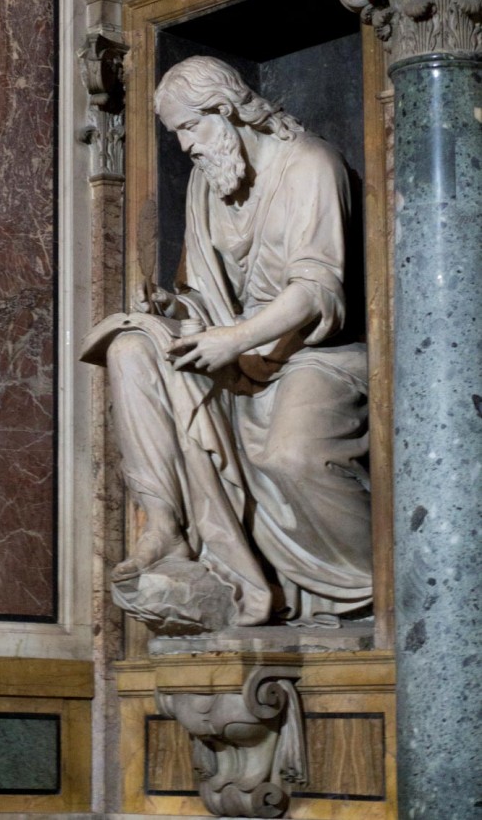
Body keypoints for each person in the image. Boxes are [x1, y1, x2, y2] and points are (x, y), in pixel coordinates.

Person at [84, 55, 372, 630]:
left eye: (190, 127)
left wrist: (231, 339)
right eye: (177, 134)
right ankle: (165, 529)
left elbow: (317, 293)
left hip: (315, 356)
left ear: (226, 111)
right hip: (239, 355)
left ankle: (372, 586)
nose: (186, 147)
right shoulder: (207, 185)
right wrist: (174, 310)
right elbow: (204, 297)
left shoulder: (310, 165)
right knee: (129, 346)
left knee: (289, 455)